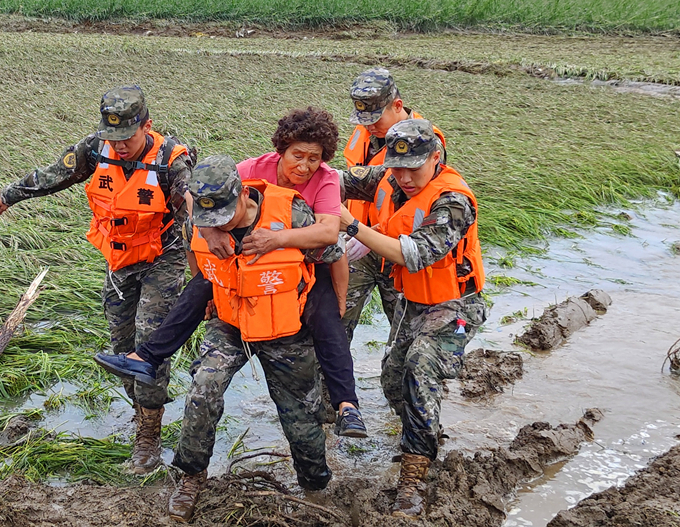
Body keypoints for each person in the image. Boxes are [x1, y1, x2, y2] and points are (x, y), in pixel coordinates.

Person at [94, 107, 367, 439]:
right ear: (282, 149)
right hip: (244, 258)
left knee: (328, 322)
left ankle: (347, 407)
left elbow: (328, 236)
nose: (305, 166)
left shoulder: (325, 179)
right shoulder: (253, 168)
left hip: (305, 261)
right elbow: (200, 194)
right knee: (199, 287)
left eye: (315, 158)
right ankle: (146, 357)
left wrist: (278, 241)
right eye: (298, 155)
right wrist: (211, 232)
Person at [0, 85, 190, 475]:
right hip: (119, 259)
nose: (120, 146)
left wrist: (206, 279)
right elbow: (54, 175)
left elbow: (195, 214)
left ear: (146, 125)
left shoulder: (171, 160)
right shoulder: (96, 148)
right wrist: (8, 195)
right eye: (112, 137)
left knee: (149, 344)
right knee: (120, 344)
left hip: (163, 257)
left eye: (127, 137)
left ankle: (148, 436)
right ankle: (140, 410)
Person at [166, 156, 338, 522]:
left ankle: (315, 486)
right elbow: (193, 255)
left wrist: (335, 310)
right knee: (203, 386)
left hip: (285, 329)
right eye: (212, 219)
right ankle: (192, 476)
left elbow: (331, 255)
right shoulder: (201, 218)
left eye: (226, 215)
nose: (221, 224)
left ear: (244, 193)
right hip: (230, 322)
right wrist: (209, 292)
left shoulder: (291, 211)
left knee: (302, 416)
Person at [338, 118, 487, 518]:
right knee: (393, 379)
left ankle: (414, 477)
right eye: (396, 167)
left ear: (435, 158)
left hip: (455, 306)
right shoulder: (386, 176)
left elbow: (415, 254)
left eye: (413, 168)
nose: (402, 177)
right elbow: (336, 178)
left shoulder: (454, 201)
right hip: (412, 302)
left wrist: (354, 226)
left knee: (421, 365)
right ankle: (423, 431)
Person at [341, 67, 446, 339]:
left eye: (376, 118)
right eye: (364, 118)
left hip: (397, 248)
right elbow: (353, 180)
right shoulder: (364, 133)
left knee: (405, 334)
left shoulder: (424, 144)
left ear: (397, 105)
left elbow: (417, 202)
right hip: (355, 247)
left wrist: (369, 233)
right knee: (335, 326)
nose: (369, 126)